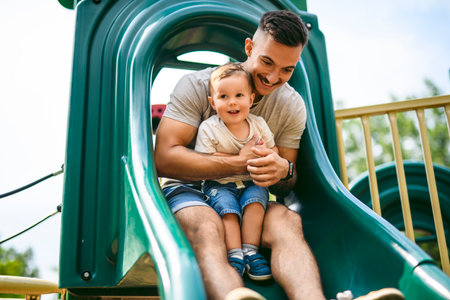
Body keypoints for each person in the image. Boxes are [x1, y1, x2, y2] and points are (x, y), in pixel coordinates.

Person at [155, 9, 404, 300]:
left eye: (287, 69)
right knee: (208, 226)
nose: (274, 77)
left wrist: (282, 170)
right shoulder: (200, 87)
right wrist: (238, 163)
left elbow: (287, 182)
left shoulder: (290, 105)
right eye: (267, 62)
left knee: (288, 222)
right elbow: (165, 158)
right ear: (249, 48)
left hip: (248, 195)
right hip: (190, 192)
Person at [195, 63, 277, 281]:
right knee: (228, 211)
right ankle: (235, 254)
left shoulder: (258, 124)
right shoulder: (209, 128)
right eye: (223, 96)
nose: (232, 102)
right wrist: (241, 158)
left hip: (251, 181)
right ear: (213, 103)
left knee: (256, 204)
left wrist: (268, 157)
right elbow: (206, 159)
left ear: (251, 99)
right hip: (219, 183)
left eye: (239, 95)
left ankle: (250, 251)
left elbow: (273, 150)